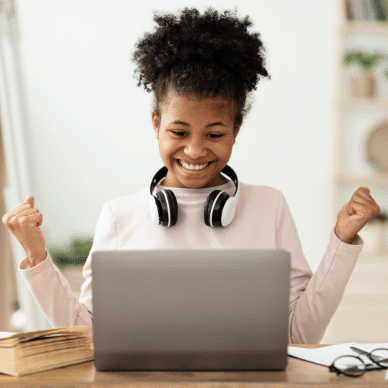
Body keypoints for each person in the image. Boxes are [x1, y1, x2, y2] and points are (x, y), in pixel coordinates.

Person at [2, 7, 380, 344]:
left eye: (215, 134)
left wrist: (342, 241)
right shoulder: (119, 217)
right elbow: (88, 336)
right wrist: (37, 256)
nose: (196, 151)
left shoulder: (269, 206)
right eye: (179, 132)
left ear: (236, 128)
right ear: (156, 124)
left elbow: (301, 333)